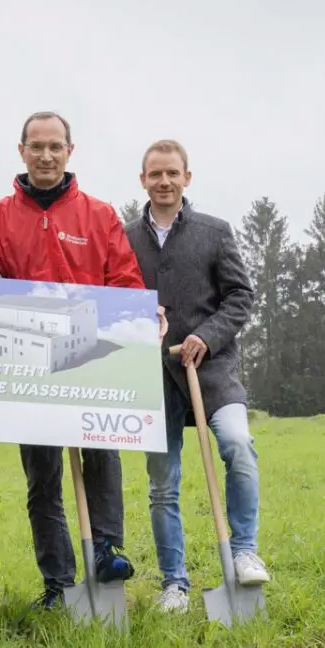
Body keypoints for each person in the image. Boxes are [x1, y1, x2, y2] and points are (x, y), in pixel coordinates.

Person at [0, 111, 155, 611]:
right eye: (37, 146)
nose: (46, 155)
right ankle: (57, 581)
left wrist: (132, 313)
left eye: (56, 146)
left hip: (90, 360)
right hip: (28, 363)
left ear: (70, 151)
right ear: (22, 150)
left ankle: (107, 550)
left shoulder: (98, 216)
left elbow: (125, 282)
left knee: (102, 454)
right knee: (43, 475)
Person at [122, 138, 271, 614]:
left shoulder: (215, 231)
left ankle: (244, 551)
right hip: (154, 378)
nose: (163, 182)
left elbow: (240, 297)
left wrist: (206, 336)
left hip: (212, 369)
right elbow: (111, 297)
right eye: (154, 174)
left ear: (187, 177)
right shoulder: (123, 238)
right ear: (143, 180)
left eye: (172, 173)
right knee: (162, 483)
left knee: (238, 446)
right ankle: (174, 585)